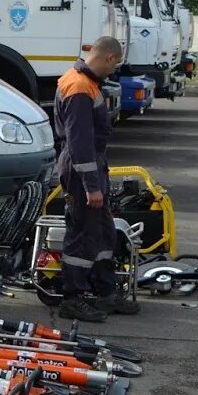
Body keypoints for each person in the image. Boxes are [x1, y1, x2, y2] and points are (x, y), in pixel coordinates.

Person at [53, 35, 132, 322]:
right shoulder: (79, 88)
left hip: (89, 166)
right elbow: (80, 144)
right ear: (108, 57)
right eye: (116, 63)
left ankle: (105, 292)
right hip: (80, 170)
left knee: (102, 232)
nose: (114, 69)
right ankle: (72, 298)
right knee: (83, 235)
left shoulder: (83, 83)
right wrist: (92, 187)